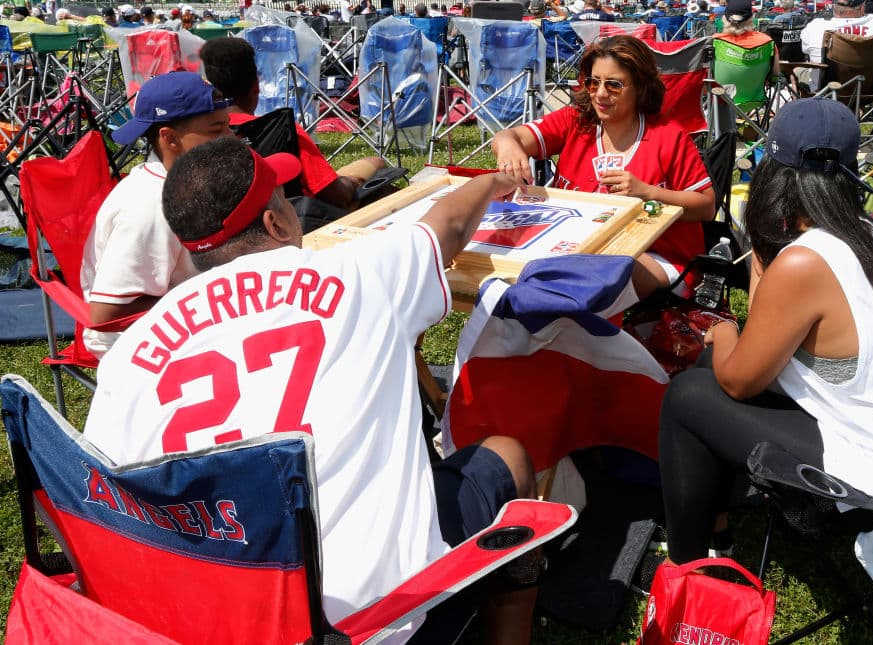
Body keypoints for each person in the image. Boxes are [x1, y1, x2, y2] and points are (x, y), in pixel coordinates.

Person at [83, 135, 540, 644]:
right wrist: (492, 182)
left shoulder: (131, 349)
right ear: (277, 223)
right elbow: (450, 224)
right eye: (285, 197)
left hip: (208, 615)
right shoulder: (359, 273)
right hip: (368, 619)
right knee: (508, 457)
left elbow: (104, 497)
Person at [656, 98, 873, 570]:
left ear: (774, 175)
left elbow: (739, 381)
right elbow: (768, 339)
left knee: (688, 395)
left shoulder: (803, 262)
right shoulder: (869, 236)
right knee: (712, 367)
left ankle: (686, 567)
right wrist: (763, 259)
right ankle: (715, 527)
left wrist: (726, 330)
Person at [492, 35, 715, 299]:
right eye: (593, 82)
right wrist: (507, 146)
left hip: (657, 256)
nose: (600, 93)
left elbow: (706, 206)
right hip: (576, 248)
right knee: (522, 276)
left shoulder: (668, 136)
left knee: (591, 276)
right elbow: (509, 137)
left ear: (640, 86)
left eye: (614, 85)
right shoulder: (576, 121)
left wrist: (649, 192)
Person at [81, 72, 232, 359]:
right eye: (216, 130)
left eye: (228, 126)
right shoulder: (150, 207)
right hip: (140, 345)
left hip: (183, 322)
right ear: (170, 138)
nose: (230, 138)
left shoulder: (184, 180)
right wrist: (211, 298)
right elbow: (106, 314)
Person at [199, 37, 387, 218]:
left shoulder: (200, 137)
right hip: (300, 219)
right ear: (256, 85)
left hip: (240, 223)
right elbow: (337, 196)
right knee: (376, 163)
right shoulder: (283, 130)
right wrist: (352, 182)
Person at [799, 0, 873, 90]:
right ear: (862, 7)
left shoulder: (816, 26)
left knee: (797, 70)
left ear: (833, 5)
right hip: (868, 90)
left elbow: (805, 51)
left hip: (826, 91)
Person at [714, 0, 780, 74]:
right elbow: (776, 73)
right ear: (751, 18)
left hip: (722, 81)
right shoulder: (768, 42)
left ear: (725, 19)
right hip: (756, 81)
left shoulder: (715, 41)